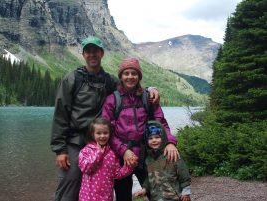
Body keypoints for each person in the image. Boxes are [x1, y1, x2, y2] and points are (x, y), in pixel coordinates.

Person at [50, 36, 160, 201]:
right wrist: (60, 150)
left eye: (96, 51)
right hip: (75, 141)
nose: (92, 55)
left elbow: (130, 86)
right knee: (70, 184)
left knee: (102, 185)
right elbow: (60, 114)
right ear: (83, 54)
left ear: (102, 53)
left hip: (101, 141)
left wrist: (152, 89)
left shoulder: (109, 81)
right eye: (88, 51)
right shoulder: (72, 79)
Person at [101, 57, 180, 201]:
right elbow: (107, 131)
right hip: (121, 158)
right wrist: (124, 151)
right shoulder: (112, 100)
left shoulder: (148, 97)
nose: (130, 77)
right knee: (123, 196)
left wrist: (170, 142)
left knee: (156, 192)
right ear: (121, 76)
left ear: (139, 76)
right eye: (126, 73)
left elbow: (160, 122)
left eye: (134, 73)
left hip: (146, 156)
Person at [78, 117, 134, 201]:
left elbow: (117, 174)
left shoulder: (112, 153)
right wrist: (98, 154)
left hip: (106, 197)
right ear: (92, 134)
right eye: (98, 133)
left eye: (105, 133)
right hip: (88, 197)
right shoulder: (86, 151)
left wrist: (130, 166)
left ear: (110, 134)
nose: (102, 136)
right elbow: (86, 168)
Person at [134, 120, 191, 201]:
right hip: (156, 198)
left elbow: (184, 174)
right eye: (150, 138)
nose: (154, 140)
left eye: (157, 137)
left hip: (175, 197)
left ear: (163, 138)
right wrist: (144, 189)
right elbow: (149, 178)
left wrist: (186, 192)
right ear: (146, 141)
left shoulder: (172, 154)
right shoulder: (148, 159)